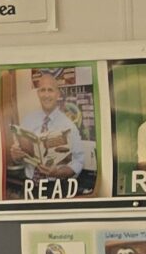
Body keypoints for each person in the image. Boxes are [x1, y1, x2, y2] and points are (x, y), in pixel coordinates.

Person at [6, 67, 91, 198]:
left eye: (50, 90)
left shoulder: (69, 126)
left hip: (56, 188)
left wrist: (58, 172)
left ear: (58, 94)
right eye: (42, 90)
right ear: (38, 93)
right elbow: (21, 159)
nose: (46, 95)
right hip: (30, 187)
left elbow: (78, 161)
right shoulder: (27, 121)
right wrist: (16, 156)